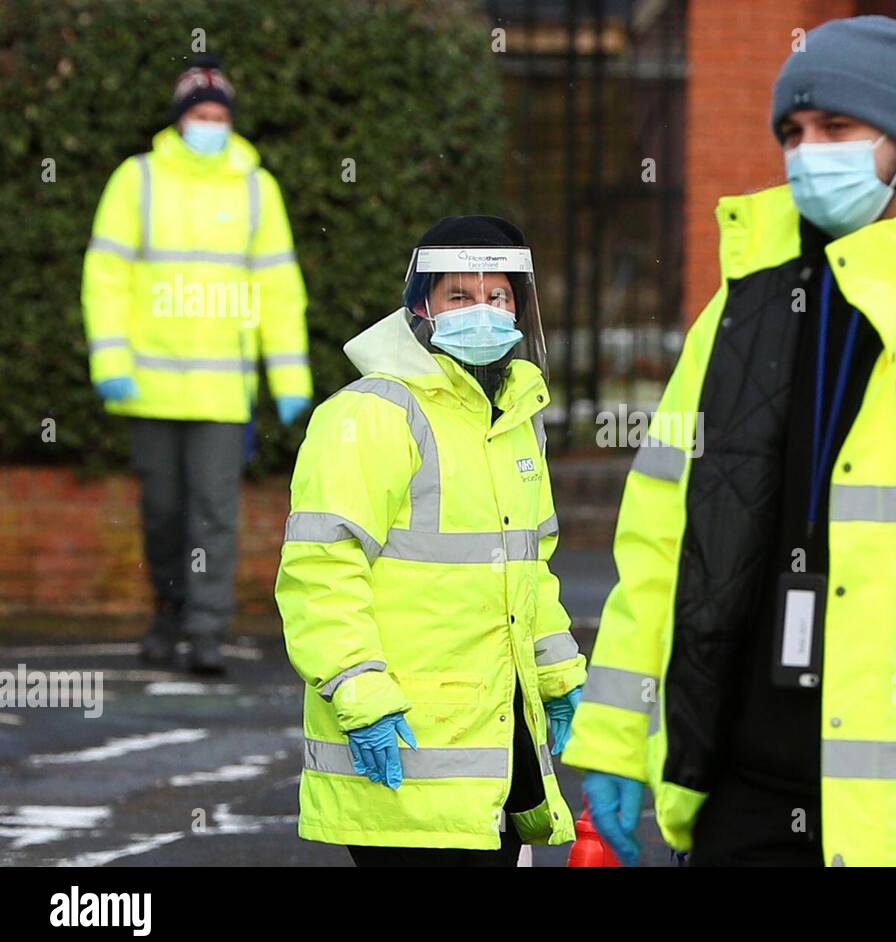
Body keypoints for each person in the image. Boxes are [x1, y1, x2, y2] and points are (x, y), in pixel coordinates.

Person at [563, 15, 896, 867]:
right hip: (740, 797)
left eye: (838, 128)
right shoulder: (739, 315)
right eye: (794, 132)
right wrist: (613, 736)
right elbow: (659, 548)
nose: (810, 152)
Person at [275, 215, 585, 866]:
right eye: (460, 296)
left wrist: (558, 672)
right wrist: (358, 692)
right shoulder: (370, 415)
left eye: (498, 297)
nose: (483, 312)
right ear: (421, 306)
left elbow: (534, 567)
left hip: (494, 757)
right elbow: (321, 569)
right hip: (402, 746)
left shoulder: (516, 419)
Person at [82, 53, 311, 674]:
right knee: (161, 517)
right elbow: (106, 274)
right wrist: (112, 359)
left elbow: (278, 288)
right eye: (200, 114)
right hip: (149, 386)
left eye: (219, 115)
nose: (211, 124)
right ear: (180, 119)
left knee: (214, 516)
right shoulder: (139, 179)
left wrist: (290, 380)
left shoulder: (257, 188)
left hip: (219, 393)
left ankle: (207, 632)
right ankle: (167, 614)